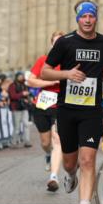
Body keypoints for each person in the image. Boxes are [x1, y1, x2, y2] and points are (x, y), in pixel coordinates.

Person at [40, 0, 103, 204]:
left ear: (95, 19)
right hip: (67, 110)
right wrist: (67, 74)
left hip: (91, 111)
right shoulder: (65, 43)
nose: (87, 20)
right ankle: (70, 175)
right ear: (77, 19)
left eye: (91, 16)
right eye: (83, 17)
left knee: (88, 161)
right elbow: (45, 71)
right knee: (70, 163)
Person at [28, 31, 66, 191]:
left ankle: (54, 177)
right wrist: (49, 82)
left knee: (57, 140)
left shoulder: (69, 62)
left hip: (60, 106)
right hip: (42, 105)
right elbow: (30, 80)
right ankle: (48, 155)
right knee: (45, 142)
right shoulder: (43, 60)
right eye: (55, 42)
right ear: (51, 44)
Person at [8, 72, 32, 148]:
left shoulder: (24, 85)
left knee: (26, 124)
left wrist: (28, 98)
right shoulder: (12, 85)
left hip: (24, 107)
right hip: (16, 108)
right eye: (20, 76)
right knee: (17, 126)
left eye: (22, 76)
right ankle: (14, 142)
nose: (21, 78)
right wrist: (22, 94)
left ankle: (27, 141)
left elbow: (28, 94)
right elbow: (12, 96)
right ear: (16, 77)